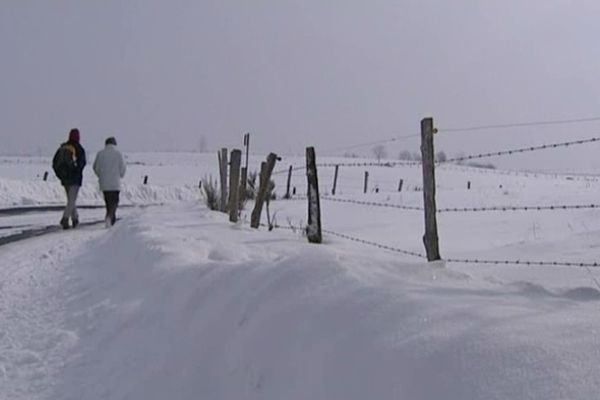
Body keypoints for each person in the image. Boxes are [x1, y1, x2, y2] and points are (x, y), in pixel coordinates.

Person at [52, 128, 86, 229]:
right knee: (72, 200)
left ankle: (75, 218)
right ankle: (65, 219)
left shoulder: (63, 147)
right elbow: (82, 163)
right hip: (75, 179)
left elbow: (54, 163)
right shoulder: (79, 148)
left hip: (65, 179)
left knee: (71, 200)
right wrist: (76, 171)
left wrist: (61, 175)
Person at [93, 136, 126, 227]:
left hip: (104, 183)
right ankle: (109, 217)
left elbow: (95, 167)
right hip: (115, 183)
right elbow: (123, 168)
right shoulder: (118, 154)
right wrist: (121, 175)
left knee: (108, 202)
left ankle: (111, 219)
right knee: (115, 201)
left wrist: (101, 175)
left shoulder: (100, 154)